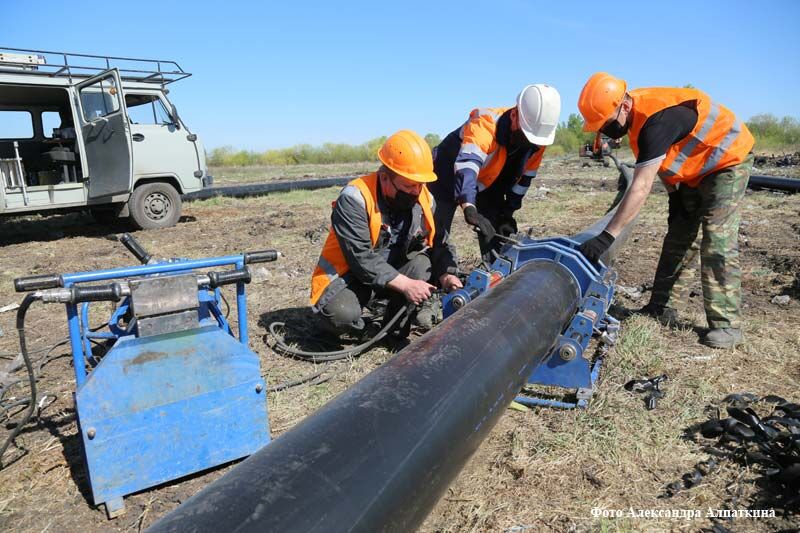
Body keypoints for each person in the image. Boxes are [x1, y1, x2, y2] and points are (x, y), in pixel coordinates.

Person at [576, 72, 755, 349]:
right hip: (694, 170)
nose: (605, 131)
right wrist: (675, 197)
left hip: (727, 160)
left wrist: (606, 236)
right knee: (679, 235)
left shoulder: (658, 119)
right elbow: (661, 160)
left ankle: (727, 325)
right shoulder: (637, 122)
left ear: (623, 105)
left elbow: (640, 186)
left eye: (607, 123)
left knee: (716, 238)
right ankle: (662, 307)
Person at [309, 130, 463, 338]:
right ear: (384, 178)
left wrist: (446, 273)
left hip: (391, 272)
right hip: (350, 276)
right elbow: (360, 257)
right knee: (341, 315)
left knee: (422, 265)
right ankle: (365, 330)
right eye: (409, 185)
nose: (416, 191)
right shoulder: (355, 198)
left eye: (420, 184)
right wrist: (406, 284)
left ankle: (394, 328)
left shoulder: (424, 198)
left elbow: (439, 241)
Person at [428, 84, 561, 260]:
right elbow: (468, 165)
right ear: (514, 115)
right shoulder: (486, 123)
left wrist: (508, 213)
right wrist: (469, 206)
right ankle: (435, 279)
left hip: (487, 183)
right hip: (444, 176)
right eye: (525, 135)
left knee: (495, 232)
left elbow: (524, 180)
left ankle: (497, 275)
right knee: (435, 232)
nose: (528, 143)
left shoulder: (538, 141)